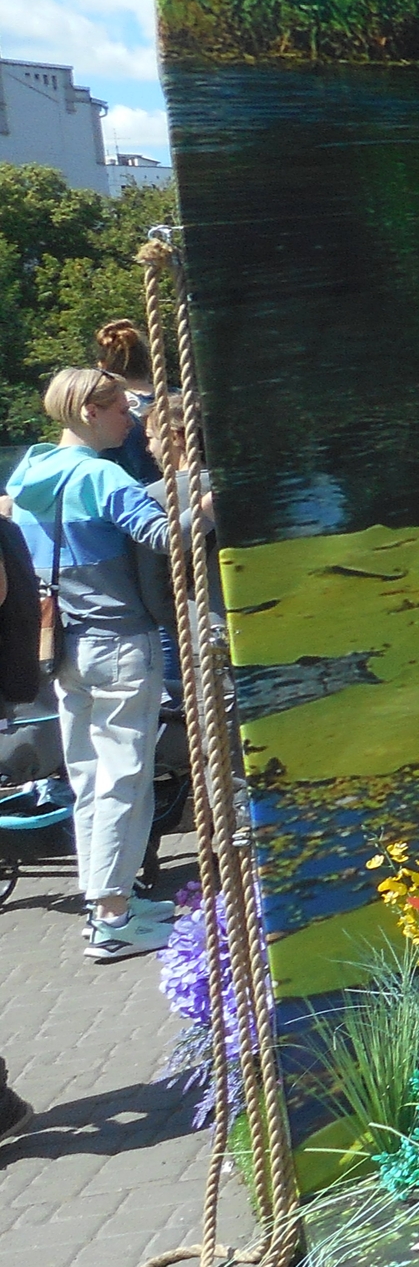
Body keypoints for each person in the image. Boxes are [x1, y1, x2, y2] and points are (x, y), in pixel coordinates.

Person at [8, 369, 189, 961]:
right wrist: (213, 506)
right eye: (120, 411)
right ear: (89, 411)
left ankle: (106, 902)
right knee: (123, 780)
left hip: (64, 648)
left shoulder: (28, 474)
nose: (130, 422)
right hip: (119, 643)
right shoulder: (101, 475)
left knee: (89, 778)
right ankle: (113, 918)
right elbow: (164, 536)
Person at [92, 318, 162, 486]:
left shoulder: (108, 408)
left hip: (138, 494)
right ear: (147, 360)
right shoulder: (181, 399)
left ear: (103, 366)